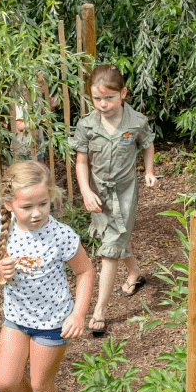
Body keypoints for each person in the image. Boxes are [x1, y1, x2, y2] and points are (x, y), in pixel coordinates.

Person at [0, 159, 93, 392]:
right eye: (27, 206)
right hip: (16, 317)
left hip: (53, 323)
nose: (37, 212)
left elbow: (84, 272)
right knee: (5, 380)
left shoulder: (61, 235)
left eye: (43, 203)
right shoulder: (0, 226)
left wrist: (79, 314)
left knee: (43, 383)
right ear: (8, 203)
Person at [71, 64, 157, 337]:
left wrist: (150, 171)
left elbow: (147, 144)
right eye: (97, 99)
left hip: (125, 191)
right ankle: (134, 272)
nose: (103, 104)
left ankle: (99, 311)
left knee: (110, 248)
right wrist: (85, 191)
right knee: (117, 234)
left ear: (123, 93)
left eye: (109, 98)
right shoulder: (86, 124)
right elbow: (81, 160)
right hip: (98, 193)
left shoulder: (136, 122)